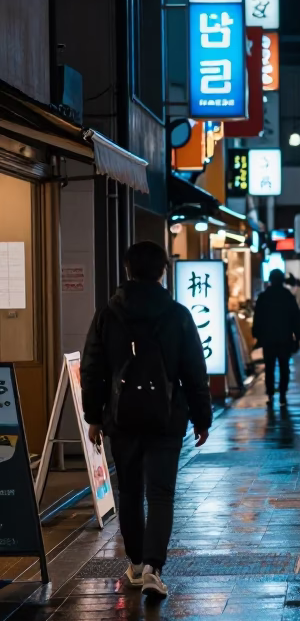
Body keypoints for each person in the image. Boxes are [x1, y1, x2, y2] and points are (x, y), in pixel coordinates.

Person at [80, 240, 212, 599]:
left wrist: (94, 417)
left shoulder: (109, 314)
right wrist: (203, 417)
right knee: (161, 493)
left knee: (131, 491)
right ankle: (154, 567)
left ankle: (136, 564)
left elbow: (92, 369)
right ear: (163, 271)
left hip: (121, 419)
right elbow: (195, 371)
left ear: (127, 271)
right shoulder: (178, 314)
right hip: (167, 418)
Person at [252, 268, 300, 405]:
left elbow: (258, 318)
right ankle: (283, 393)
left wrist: (257, 335)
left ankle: (270, 393)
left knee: (269, 366)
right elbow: (295, 318)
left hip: (268, 338)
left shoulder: (263, 297)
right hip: (284, 338)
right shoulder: (288, 296)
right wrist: (298, 336)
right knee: (284, 366)